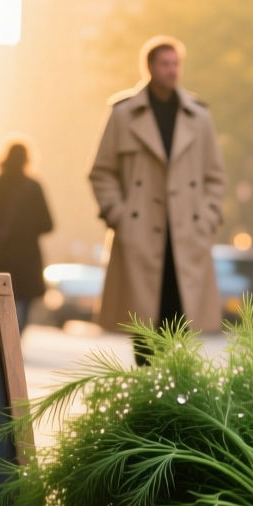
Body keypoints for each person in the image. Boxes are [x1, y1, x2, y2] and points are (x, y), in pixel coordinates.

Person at [88, 35, 226, 360]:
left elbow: (215, 176)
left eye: (176, 63)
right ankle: (149, 398)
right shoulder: (123, 114)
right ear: (149, 66)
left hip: (186, 236)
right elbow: (101, 171)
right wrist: (118, 214)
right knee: (145, 327)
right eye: (165, 63)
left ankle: (175, 400)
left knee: (181, 324)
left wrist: (207, 218)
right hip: (140, 236)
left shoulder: (199, 116)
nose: (172, 70)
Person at [0, 141, 55, 330]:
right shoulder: (34, 187)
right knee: (23, 302)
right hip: (26, 257)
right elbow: (48, 224)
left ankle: (2, 340)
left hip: (0, 257)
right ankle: (16, 342)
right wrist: (26, 229)